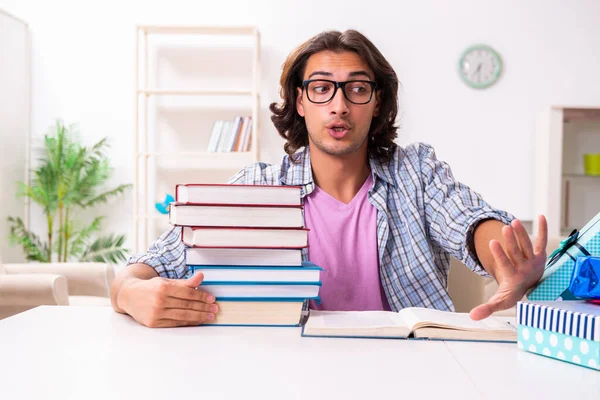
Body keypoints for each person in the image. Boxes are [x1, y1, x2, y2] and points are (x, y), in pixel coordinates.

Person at [110, 29, 548, 328]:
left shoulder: (416, 172)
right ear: (300, 102)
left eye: (357, 89)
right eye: (322, 88)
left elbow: (468, 220)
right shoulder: (260, 186)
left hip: (413, 371)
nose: (339, 106)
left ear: (377, 103)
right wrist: (129, 293)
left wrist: (505, 260)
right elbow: (148, 265)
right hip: (289, 370)